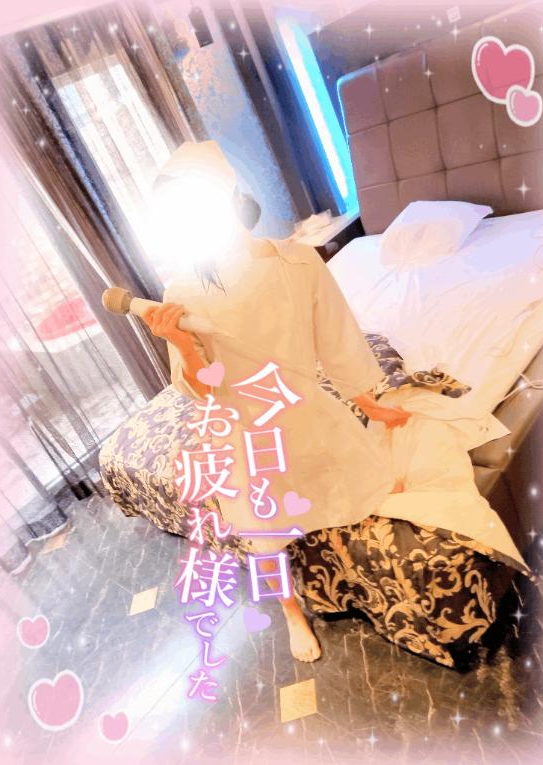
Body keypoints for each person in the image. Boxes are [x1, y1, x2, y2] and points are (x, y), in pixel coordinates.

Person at [142, 140, 412, 662]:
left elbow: (337, 339)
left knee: (377, 485)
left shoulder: (298, 261)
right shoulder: (183, 289)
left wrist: (370, 404)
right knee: (262, 532)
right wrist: (181, 345)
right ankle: (291, 611)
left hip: (303, 406)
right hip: (240, 427)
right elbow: (201, 388)